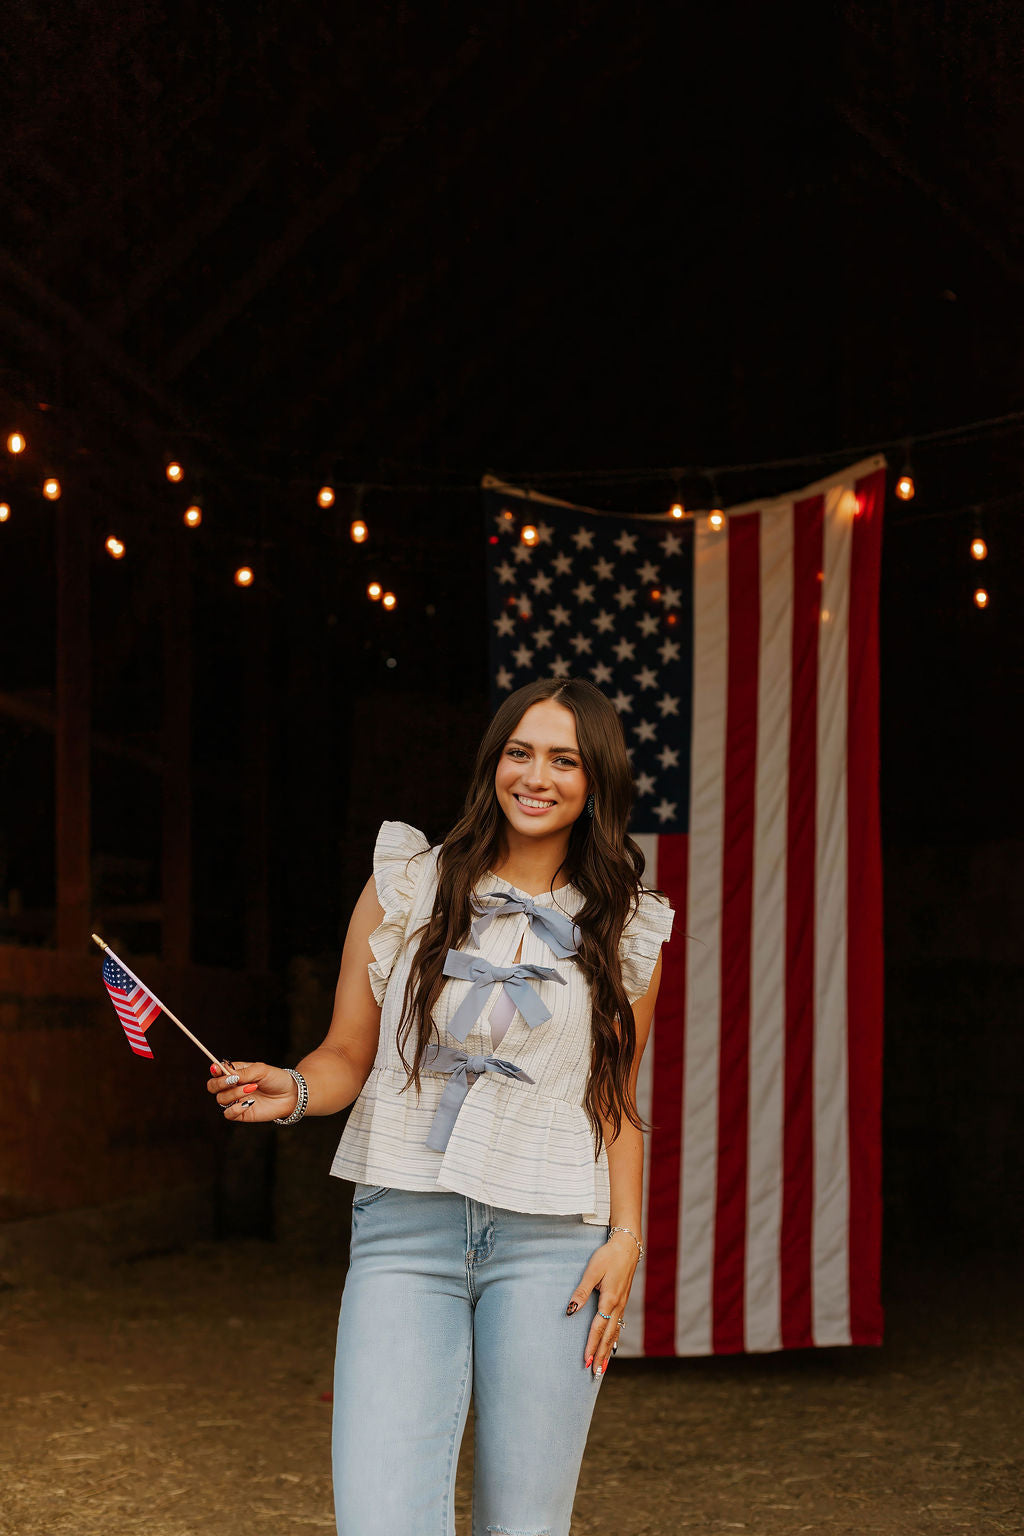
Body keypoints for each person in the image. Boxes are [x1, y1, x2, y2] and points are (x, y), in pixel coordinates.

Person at [207, 676, 675, 1536]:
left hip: (553, 1242)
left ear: (595, 782)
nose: (537, 776)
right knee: (381, 1518)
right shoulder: (405, 885)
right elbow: (349, 1051)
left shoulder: (627, 925)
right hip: (404, 1229)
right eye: (520, 752)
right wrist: (295, 1090)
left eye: (564, 760)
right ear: (493, 763)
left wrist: (627, 1238)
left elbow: (616, 1095)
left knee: (524, 1527)